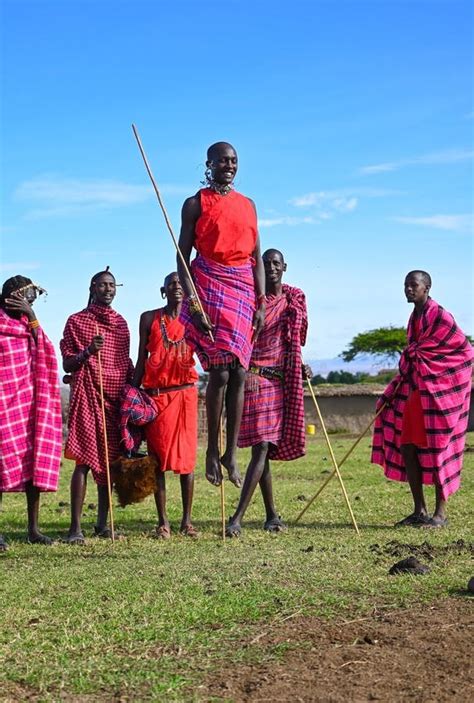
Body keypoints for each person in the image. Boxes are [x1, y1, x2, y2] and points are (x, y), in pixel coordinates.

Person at [177, 142, 265, 489]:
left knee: (241, 371)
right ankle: (211, 450)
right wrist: (194, 304)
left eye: (234, 161)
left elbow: (256, 257)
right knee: (220, 372)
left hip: (242, 286)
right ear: (209, 164)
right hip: (209, 283)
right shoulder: (195, 203)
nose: (229, 165)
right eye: (222, 161)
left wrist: (260, 302)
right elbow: (182, 258)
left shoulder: (249, 205)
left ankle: (230, 452)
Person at [372, 270, 473, 528]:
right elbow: (416, 357)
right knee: (408, 447)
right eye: (405, 285)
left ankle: (440, 513)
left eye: (413, 285)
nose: (408, 289)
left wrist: (439, 382)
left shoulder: (441, 317)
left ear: (426, 287)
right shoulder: (414, 318)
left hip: (439, 397)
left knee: (438, 448)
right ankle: (419, 510)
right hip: (417, 394)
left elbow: (464, 353)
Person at [226, 249, 310, 537]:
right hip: (254, 379)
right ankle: (238, 517)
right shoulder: (250, 300)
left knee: (264, 447)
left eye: (276, 263)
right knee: (261, 447)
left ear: (285, 266)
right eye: (266, 263)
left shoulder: (293, 300)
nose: (271, 268)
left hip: (280, 382)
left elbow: (294, 341)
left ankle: (271, 514)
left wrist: (300, 364)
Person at [60, 268, 133, 543]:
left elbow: (124, 365)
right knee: (84, 462)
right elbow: (68, 363)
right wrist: (89, 351)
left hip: (114, 401)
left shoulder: (121, 324)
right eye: (102, 285)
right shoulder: (76, 321)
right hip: (88, 396)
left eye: (112, 285)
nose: (108, 290)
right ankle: (75, 528)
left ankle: (102, 524)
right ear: (92, 288)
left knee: (109, 463)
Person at [132, 272, 199, 539]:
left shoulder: (195, 319)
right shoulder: (149, 318)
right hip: (157, 398)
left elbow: (211, 347)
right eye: (171, 284)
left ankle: (187, 522)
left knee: (188, 461)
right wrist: (131, 392)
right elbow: (140, 358)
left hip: (186, 397)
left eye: (181, 284)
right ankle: (163, 522)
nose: (176, 287)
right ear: (163, 291)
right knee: (157, 460)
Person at [0, 276, 62, 550]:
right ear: (10, 298)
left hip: (28, 409)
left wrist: (32, 317)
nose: (29, 304)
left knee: (32, 467)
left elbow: (47, 352)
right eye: (26, 300)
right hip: (3, 407)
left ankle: (33, 530)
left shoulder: (29, 325)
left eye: (33, 302)